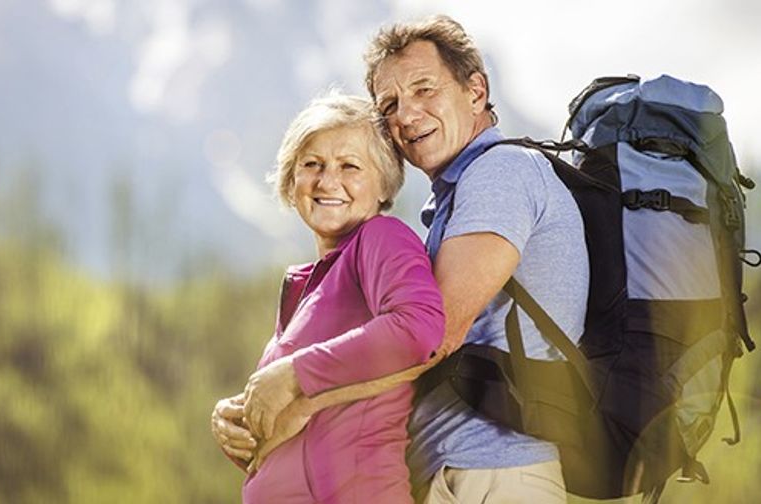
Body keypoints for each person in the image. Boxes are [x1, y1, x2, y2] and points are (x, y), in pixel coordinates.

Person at [238, 15, 590, 503]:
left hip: (492, 472)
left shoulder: (501, 174)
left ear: (475, 90)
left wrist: (303, 397)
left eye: (424, 90)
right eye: (390, 105)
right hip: (460, 469)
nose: (406, 114)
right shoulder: (458, 196)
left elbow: (432, 337)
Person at [210, 91, 445, 503]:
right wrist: (236, 420)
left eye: (349, 166)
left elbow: (418, 327)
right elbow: (304, 431)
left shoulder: (380, 237)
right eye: (312, 164)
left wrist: (294, 372)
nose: (326, 181)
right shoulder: (310, 287)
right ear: (291, 179)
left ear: (383, 182)